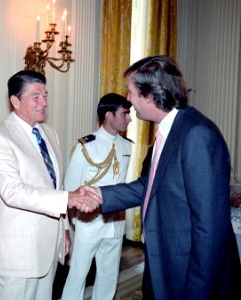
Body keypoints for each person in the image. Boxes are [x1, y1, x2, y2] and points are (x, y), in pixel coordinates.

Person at [92, 55, 241, 299]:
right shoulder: (170, 131)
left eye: (130, 92)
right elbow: (148, 186)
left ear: (150, 96)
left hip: (189, 275)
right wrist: (99, 195)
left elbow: (210, 230)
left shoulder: (197, 135)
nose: (128, 99)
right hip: (165, 264)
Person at [0, 70, 100, 300]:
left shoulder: (49, 133)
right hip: (18, 255)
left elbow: (54, 185)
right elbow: (12, 192)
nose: (44, 102)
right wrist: (69, 198)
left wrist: (64, 230)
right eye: (36, 96)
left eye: (45, 95)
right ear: (15, 101)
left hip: (49, 249)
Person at [61, 93, 132, 300]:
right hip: (90, 221)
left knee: (109, 276)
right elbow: (71, 188)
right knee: (78, 275)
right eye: (125, 113)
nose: (129, 118)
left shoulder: (127, 145)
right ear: (109, 115)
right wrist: (75, 221)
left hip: (116, 221)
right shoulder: (87, 145)